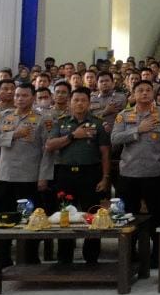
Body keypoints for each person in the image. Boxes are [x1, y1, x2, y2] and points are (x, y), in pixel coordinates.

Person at [111, 81, 160, 267]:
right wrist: (137, 130)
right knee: (127, 217)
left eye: (148, 90)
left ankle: (158, 257)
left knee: (158, 217)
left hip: (154, 173)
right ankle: (129, 255)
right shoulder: (124, 115)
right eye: (140, 90)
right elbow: (114, 138)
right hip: (129, 174)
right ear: (133, 94)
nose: (145, 93)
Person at [0, 82, 53, 268]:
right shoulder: (3, 116)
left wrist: (43, 176)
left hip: (29, 178)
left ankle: (30, 260)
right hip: (5, 176)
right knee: (4, 219)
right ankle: (3, 260)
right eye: (17, 95)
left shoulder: (42, 119)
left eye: (24, 95)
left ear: (33, 98)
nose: (20, 99)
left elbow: (47, 151)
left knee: (31, 221)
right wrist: (13, 135)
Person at [45, 87, 111, 265]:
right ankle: (64, 258)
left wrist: (105, 177)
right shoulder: (61, 122)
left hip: (90, 173)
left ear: (89, 103)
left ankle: (92, 258)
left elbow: (105, 153)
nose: (79, 103)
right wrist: (73, 135)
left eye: (83, 100)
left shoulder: (98, 123)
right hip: (65, 174)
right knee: (65, 215)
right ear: (70, 102)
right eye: (76, 100)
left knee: (92, 216)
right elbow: (50, 145)